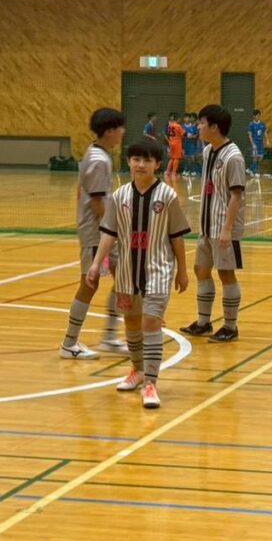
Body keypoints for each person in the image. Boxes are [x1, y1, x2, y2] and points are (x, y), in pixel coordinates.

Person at [87, 140, 190, 409]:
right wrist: (97, 264)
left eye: (147, 160)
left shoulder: (167, 196)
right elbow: (108, 233)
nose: (141, 165)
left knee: (151, 322)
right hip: (126, 270)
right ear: (128, 162)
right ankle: (138, 370)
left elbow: (177, 237)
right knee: (132, 323)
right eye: (136, 159)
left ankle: (151, 384)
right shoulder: (119, 196)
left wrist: (182, 270)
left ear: (157, 164)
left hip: (158, 269)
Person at [59, 108, 127, 360]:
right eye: (120, 128)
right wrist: (113, 231)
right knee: (89, 284)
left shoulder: (96, 153)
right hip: (96, 234)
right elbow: (98, 203)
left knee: (124, 279)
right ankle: (69, 343)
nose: (123, 132)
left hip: (102, 232)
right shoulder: (99, 160)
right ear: (109, 131)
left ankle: (109, 337)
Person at [180, 104, 246, 343]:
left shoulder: (233, 157)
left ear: (214, 127)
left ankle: (230, 326)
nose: (198, 127)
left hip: (224, 227)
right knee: (201, 269)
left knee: (226, 274)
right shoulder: (208, 151)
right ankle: (203, 322)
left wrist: (227, 229)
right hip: (206, 225)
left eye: (201, 123)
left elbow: (236, 196)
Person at [247, 109, 268, 176]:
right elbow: (250, 135)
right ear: (254, 116)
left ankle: (250, 169)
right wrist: (253, 144)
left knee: (260, 157)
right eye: (257, 116)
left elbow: (265, 132)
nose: (259, 117)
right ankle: (254, 172)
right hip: (255, 143)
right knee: (255, 157)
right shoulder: (251, 124)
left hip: (260, 143)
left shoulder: (262, 124)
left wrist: (267, 140)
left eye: (259, 116)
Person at [165, 113, 184, 181]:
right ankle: (174, 172)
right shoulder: (178, 126)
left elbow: (168, 134)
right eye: (179, 119)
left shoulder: (169, 125)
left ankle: (167, 171)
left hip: (171, 142)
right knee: (177, 158)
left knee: (172, 158)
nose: (180, 120)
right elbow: (183, 133)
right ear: (177, 119)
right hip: (177, 142)